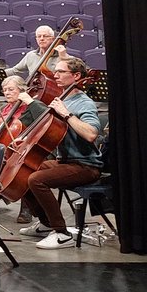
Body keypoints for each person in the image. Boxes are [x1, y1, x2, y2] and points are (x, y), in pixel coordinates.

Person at [15, 57, 103, 249]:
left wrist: (67, 114)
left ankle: (62, 233)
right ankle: (46, 224)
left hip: (86, 165)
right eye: (56, 71)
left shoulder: (83, 103)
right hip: (65, 162)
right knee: (22, 172)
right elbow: (50, 130)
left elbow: (91, 134)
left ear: (76, 76)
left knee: (36, 179)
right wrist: (26, 138)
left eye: (61, 71)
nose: (55, 75)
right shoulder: (63, 98)